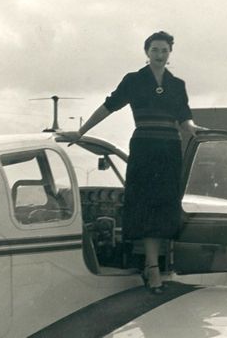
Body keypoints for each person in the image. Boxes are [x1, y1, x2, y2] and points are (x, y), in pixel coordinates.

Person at [63, 31, 206, 294]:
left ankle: (159, 266)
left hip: (169, 148)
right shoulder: (134, 80)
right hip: (144, 147)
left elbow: (184, 117)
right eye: (155, 50)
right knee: (146, 204)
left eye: (164, 50)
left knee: (165, 205)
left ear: (170, 53)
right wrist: (81, 133)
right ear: (147, 52)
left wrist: (193, 128)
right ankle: (152, 268)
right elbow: (109, 106)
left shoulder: (178, 84)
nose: (159, 55)